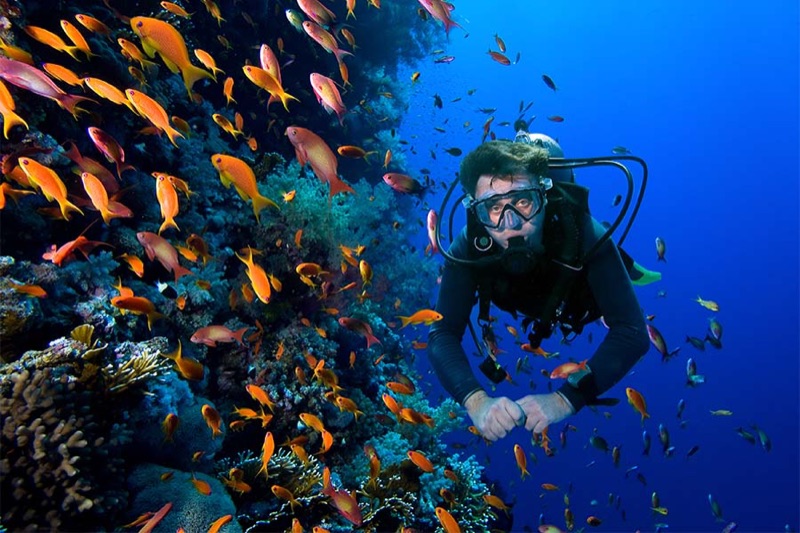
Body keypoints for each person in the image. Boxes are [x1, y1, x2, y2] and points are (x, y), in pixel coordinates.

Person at [428, 133, 652, 441]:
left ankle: (626, 267)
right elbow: (442, 332)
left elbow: (633, 332)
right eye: (493, 207)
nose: (510, 222)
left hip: (578, 300)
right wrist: (475, 401)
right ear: (477, 211)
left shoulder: (582, 233)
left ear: (543, 198)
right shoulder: (470, 246)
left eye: (523, 201)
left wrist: (564, 400)